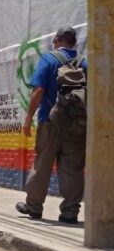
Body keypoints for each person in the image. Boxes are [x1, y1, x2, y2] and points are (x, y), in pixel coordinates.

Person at [16, 26, 87, 224]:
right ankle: (70, 211)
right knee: (73, 168)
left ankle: (34, 207)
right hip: (77, 125)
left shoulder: (49, 59)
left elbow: (38, 91)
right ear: (74, 42)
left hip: (50, 121)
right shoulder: (84, 63)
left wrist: (29, 117)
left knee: (43, 164)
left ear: (56, 40)